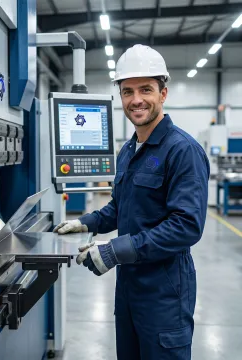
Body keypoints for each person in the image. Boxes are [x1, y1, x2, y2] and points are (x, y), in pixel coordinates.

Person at [53, 44, 210, 360]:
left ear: (163, 94)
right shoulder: (128, 151)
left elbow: (186, 226)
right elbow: (119, 207)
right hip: (128, 287)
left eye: (145, 90)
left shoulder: (182, 151)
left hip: (165, 291)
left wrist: (115, 250)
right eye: (128, 91)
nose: (136, 99)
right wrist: (85, 222)